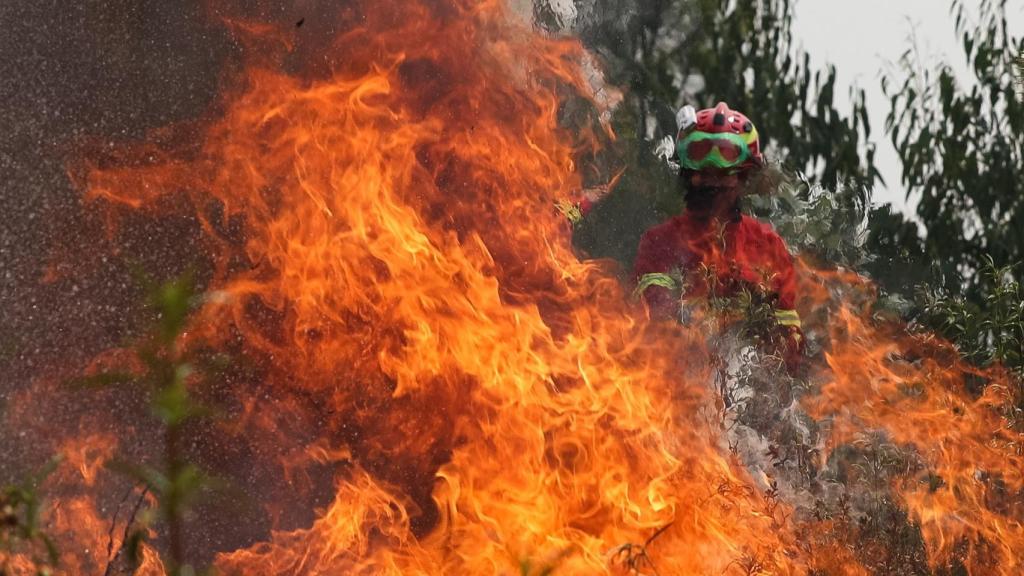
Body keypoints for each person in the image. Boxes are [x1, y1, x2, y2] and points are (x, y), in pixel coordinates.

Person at [560, 102, 803, 370]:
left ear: (744, 177)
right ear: (687, 172)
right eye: (702, 171)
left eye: (722, 173)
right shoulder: (659, 242)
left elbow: (788, 346)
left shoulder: (769, 247)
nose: (711, 181)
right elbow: (655, 322)